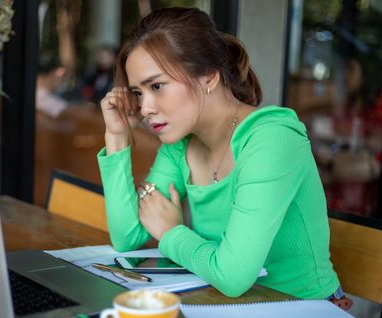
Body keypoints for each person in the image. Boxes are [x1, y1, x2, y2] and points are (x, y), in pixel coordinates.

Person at [97, 7, 341, 300]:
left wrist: (171, 232)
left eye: (157, 86)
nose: (146, 108)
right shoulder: (180, 144)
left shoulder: (273, 138)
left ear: (209, 77)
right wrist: (116, 135)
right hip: (226, 307)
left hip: (305, 315)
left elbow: (232, 276)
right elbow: (127, 238)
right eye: (138, 93)